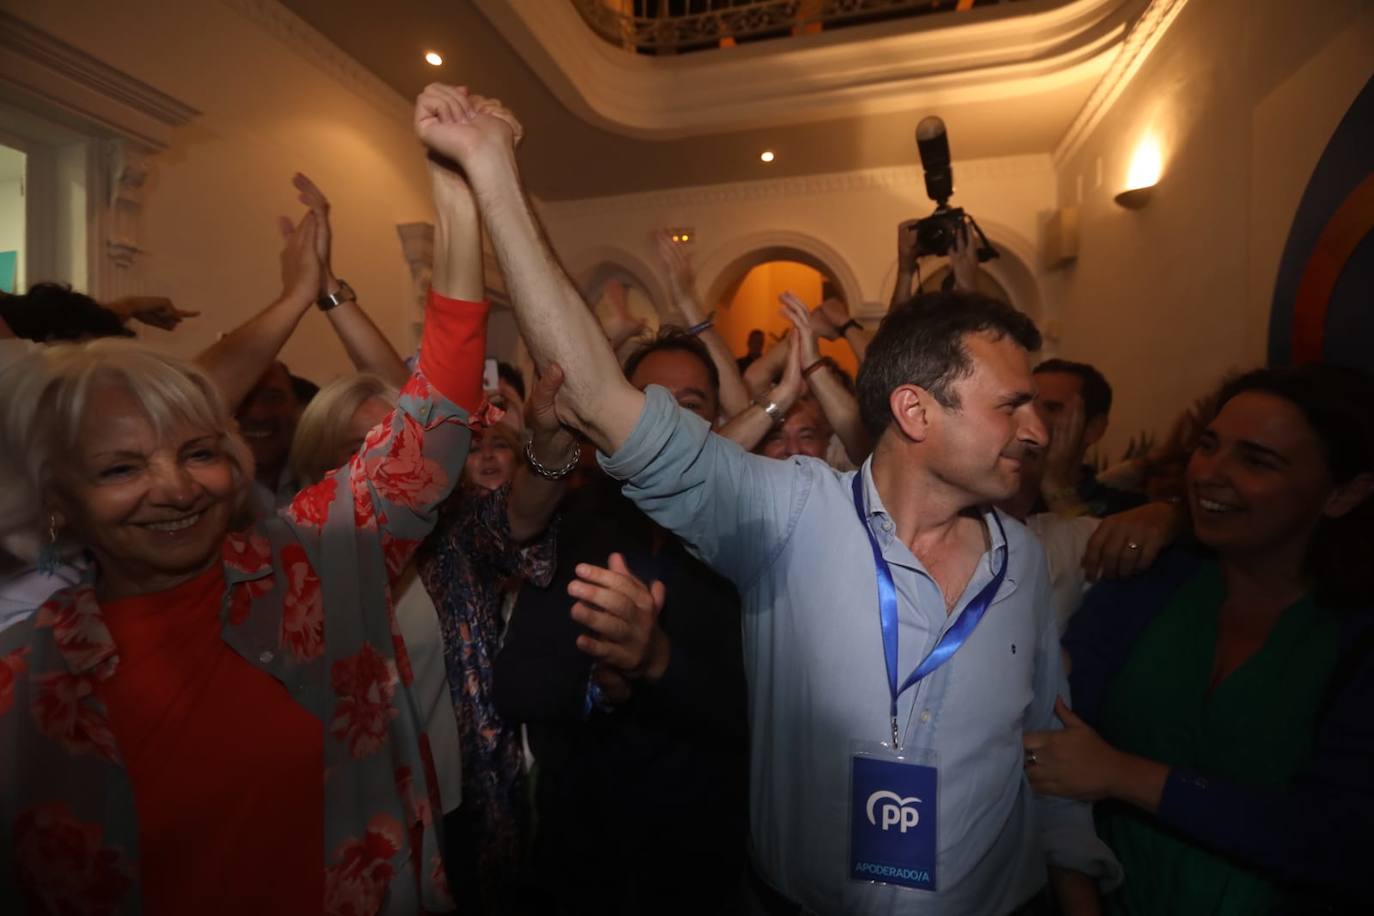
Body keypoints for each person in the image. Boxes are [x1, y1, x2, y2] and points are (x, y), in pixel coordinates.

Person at [412, 83, 1118, 914]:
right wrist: (495, 173)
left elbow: (1048, 752)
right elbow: (601, 398)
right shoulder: (788, 517)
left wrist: (1078, 894)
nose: (1039, 431)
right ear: (916, 411)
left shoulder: (1025, 560)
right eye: (1013, 406)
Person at [0, 136, 493, 910]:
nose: (174, 488)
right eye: (121, 469)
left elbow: (434, 425)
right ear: (59, 499)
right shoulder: (23, 682)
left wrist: (464, 200)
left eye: (199, 452)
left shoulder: (311, 562)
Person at [1026, 364, 1374, 914]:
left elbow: (1343, 840)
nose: (1210, 473)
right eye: (1208, 446)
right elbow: (1056, 732)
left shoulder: (1353, 634)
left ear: (1344, 492)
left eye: (1256, 461)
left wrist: (1125, 774)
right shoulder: (1147, 587)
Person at [494, 332, 749, 916]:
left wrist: (658, 663)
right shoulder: (576, 526)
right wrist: (600, 685)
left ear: (719, 418)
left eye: (691, 404)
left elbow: (762, 713)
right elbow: (515, 684)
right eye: (649, 403)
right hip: (584, 858)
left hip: (707, 859)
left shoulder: (755, 540)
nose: (671, 422)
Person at [1031, 359, 1143, 518]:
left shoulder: (1127, 512)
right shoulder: (995, 494)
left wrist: (1054, 480)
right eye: (1025, 405)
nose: (1032, 419)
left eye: (1052, 408)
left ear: (1093, 429)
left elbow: (1088, 542)